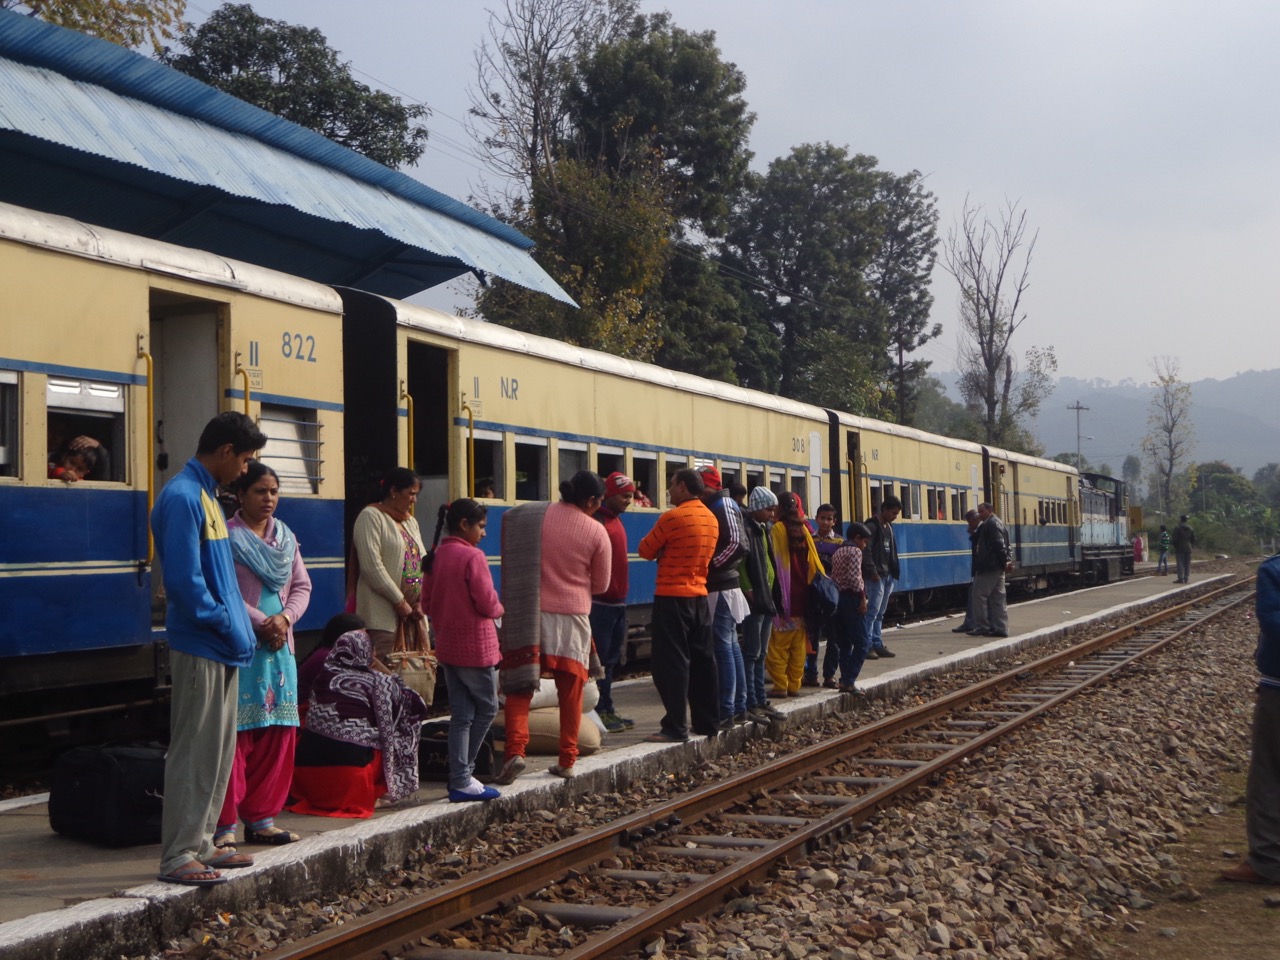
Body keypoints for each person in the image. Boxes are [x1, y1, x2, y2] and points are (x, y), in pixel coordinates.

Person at [151, 411, 265, 887]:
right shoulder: (183, 498)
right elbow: (184, 583)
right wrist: (224, 621)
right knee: (195, 751)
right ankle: (179, 853)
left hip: (222, 645)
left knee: (216, 752)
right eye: (244, 460)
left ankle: (201, 844)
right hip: (203, 641)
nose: (245, 470)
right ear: (224, 453)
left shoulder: (206, 497)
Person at [215, 461, 312, 848]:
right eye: (260, 491)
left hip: (279, 652)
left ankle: (261, 819)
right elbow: (224, 592)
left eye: (273, 491)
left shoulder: (286, 538)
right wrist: (263, 622)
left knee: (278, 734)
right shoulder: (227, 537)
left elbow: (302, 586)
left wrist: (285, 619)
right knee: (236, 737)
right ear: (240, 495)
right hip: (245, 648)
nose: (268, 498)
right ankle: (224, 828)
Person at [496, 470, 611, 782]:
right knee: (571, 691)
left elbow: (508, 517)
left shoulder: (534, 516)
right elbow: (601, 584)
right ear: (590, 500)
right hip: (572, 618)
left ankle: (515, 752)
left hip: (529, 612)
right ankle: (567, 759)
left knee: (520, 685)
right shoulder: (596, 531)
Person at [291, 628, 428, 815]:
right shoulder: (379, 682)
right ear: (366, 652)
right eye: (373, 651)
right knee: (398, 732)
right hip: (349, 781)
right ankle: (385, 793)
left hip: (307, 779)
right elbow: (417, 706)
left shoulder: (323, 676)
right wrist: (385, 672)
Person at [426, 499, 503, 802]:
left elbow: (426, 604)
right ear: (464, 525)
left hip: (447, 646)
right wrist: (500, 608)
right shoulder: (473, 557)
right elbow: (486, 602)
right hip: (476, 647)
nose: (484, 533)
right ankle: (462, 775)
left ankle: (460, 778)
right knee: (487, 708)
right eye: (481, 526)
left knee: (461, 715)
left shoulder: (435, 556)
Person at [637, 468, 720, 742]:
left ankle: (675, 726)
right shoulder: (711, 518)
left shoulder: (672, 518)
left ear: (683, 487)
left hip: (672, 597)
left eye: (671, 486)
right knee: (702, 661)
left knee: (671, 664)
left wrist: (664, 550)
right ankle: (707, 722)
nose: (669, 492)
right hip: (699, 596)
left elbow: (646, 550)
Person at [1220, 552, 1280, 886]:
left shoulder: (1274, 570)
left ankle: (1268, 861)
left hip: (1278, 689)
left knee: (1269, 774)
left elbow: (1274, 624)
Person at [351, 468, 427, 660]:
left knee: (417, 675)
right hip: (384, 618)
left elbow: (422, 562)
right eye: (411, 494)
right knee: (387, 672)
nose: (414, 500)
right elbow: (372, 566)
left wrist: (422, 601)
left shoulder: (411, 522)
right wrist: (399, 602)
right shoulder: (371, 516)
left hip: (413, 616)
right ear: (394, 491)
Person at [700, 466, 750, 729]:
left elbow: (738, 544)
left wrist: (710, 566)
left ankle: (728, 709)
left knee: (724, 646)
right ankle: (738, 706)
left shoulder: (723, 504)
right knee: (730, 645)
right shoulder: (722, 503)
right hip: (725, 584)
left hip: (721, 586)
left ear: (709, 485)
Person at [590, 472, 637, 733]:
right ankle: (601, 709)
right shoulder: (598, 522)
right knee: (602, 661)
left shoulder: (616, 521)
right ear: (609, 494)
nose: (629, 500)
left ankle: (608, 707)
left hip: (618, 602)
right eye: (624, 495)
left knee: (611, 659)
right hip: (602, 603)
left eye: (631, 495)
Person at [766, 514, 825, 696]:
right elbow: (814, 564)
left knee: (778, 647)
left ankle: (780, 685)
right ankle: (794, 685)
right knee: (798, 647)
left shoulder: (777, 530)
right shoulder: (805, 531)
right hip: (803, 596)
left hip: (784, 597)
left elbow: (772, 561)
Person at [740, 487, 783, 721]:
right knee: (752, 652)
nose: (772, 514)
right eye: (768, 509)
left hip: (766, 598)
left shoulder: (763, 529)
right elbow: (741, 564)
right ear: (756, 508)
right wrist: (748, 591)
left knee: (762, 652)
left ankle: (760, 699)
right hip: (756, 600)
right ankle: (751, 701)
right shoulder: (747, 528)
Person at [830, 522, 872, 693]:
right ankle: (849, 680)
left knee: (845, 644)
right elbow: (855, 578)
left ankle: (843, 680)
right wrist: (862, 597)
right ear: (857, 538)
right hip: (851, 598)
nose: (865, 545)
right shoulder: (855, 551)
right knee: (863, 643)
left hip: (838, 599)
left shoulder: (839, 550)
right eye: (864, 541)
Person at [807, 503, 844, 687]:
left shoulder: (839, 542)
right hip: (813, 594)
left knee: (833, 637)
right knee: (811, 634)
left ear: (834, 521)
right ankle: (811, 674)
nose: (826, 522)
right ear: (816, 519)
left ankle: (829, 675)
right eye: (823, 518)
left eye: (829, 519)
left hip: (832, 594)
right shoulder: (810, 540)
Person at [863, 495, 903, 659]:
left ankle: (877, 643)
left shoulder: (888, 527)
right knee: (872, 611)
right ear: (884, 509)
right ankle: (867, 645)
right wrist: (872, 571)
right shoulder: (872, 527)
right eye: (893, 513)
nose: (895, 517)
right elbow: (866, 551)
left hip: (887, 575)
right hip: (876, 575)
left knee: (880, 612)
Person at [968, 502, 1012, 638]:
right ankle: (1001, 628)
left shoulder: (991, 524)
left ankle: (983, 626)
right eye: (978, 512)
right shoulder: (997, 522)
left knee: (978, 595)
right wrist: (1006, 561)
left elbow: (999, 544)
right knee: (998, 597)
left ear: (990, 510)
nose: (979, 514)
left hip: (989, 566)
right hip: (997, 566)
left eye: (982, 511)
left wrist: (1005, 560)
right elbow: (1005, 543)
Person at [952, 509, 982, 633]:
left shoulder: (984, 528)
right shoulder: (982, 529)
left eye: (970, 523)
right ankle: (976, 623)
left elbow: (981, 549)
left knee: (975, 595)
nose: (969, 526)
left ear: (975, 519)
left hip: (983, 569)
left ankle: (972, 623)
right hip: (982, 569)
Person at [1172, 515, 1196, 583]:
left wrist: (1176, 546)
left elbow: (1174, 539)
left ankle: (1180, 578)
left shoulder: (1177, 528)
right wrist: (1191, 545)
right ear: (1186, 520)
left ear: (1180, 520)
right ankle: (1186, 578)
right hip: (1188, 548)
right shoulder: (1191, 528)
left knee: (1180, 564)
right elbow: (1193, 539)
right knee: (1187, 564)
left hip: (1180, 548)